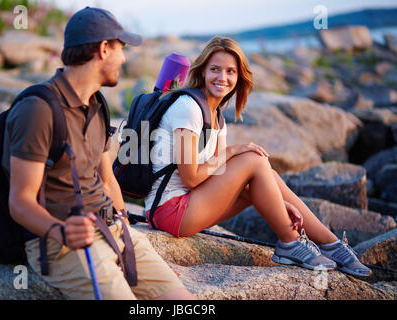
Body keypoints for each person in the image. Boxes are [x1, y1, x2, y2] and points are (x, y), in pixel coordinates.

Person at [2, 7, 196, 299]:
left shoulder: (97, 103)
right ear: (104, 49)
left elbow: (107, 181)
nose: (125, 58)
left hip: (113, 229)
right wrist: (61, 231)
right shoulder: (38, 110)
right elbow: (20, 201)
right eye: (122, 48)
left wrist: (129, 240)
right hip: (63, 244)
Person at [144, 36, 371, 277]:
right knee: (253, 158)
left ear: (239, 76)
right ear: (202, 72)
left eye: (230, 71)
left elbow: (216, 177)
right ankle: (290, 242)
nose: (222, 78)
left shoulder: (216, 116)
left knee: (268, 174)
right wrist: (233, 150)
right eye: (215, 69)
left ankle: (332, 245)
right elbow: (190, 178)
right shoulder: (188, 108)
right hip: (170, 211)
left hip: (192, 204)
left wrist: (277, 203)